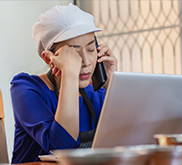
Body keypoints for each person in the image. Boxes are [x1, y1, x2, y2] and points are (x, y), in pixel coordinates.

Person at [10, 3, 117, 164]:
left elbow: (132, 139)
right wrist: (70, 74)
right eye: (74, 52)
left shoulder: (96, 94)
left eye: (90, 49)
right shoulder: (25, 88)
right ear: (49, 59)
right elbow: (62, 148)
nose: (87, 62)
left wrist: (113, 84)